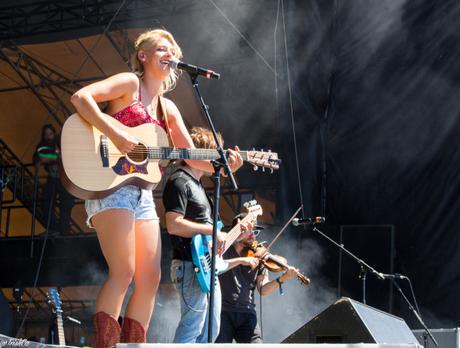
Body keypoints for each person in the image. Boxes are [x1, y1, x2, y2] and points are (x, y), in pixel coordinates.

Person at [69, 29, 242, 347]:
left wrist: (225, 162)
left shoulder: (169, 110)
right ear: (144, 56)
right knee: (124, 270)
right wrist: (118, 135)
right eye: (161, 48)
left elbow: (193, 159)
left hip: (143, 194)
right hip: (110, 184)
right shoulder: (129, 84)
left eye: (173, 49)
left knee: (150, 279)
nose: (170, 53)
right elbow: (80, 99)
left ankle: (133, 345)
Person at [163, 127, 256, 343]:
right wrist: (213, 231)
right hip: (189, 265)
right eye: (215, 153)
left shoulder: (200, 188)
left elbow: (209, 235)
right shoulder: (179, 181)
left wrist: (225, 236)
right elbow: (173, 225)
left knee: (210, 332)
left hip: (204, 266)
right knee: (191, 328)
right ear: (204, 152)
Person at [216, 215, 300, 343]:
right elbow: (216, 265)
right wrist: (241, 261)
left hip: (247, 313)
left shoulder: (259, 256)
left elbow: (263, 290)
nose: (253, 236)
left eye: (255, 232)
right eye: (249, 231)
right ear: (238, 231)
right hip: (223, 311)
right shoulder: (223, 249)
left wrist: (282, 279)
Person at [33, 124, 75, 235]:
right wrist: (54, 157)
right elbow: (39, 158)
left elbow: (65, 156)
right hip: (52, 178)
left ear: (54, 133)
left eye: (50, 133)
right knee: (46, 203)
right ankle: (52, 229)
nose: (48, 136)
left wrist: (53, 157)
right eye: (46, 134)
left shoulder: (60, 142)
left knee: (66, 204)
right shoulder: (42, 145)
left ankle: (64, 231)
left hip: (64, 179)